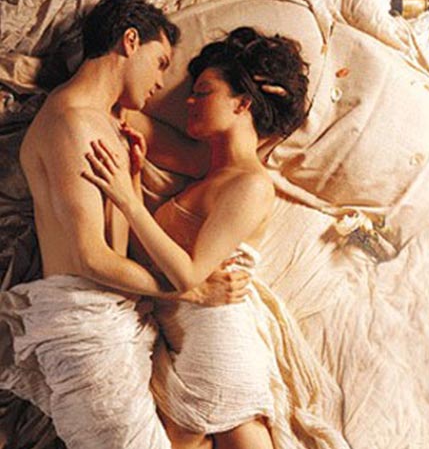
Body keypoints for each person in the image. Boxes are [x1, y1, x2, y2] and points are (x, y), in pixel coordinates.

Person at [84, 27, 350, 449]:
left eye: (203, 92)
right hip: (185, 343)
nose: (189, 102)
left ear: (242, 103)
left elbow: (189, 273)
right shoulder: (207, 175)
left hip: (218, 344)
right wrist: (133, 178)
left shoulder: (251, 185)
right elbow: (149, 260)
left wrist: (129, 202)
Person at [0, 0, 248, 448]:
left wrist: (133, 181)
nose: (161, 82)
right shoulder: (71, 123)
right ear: (130, 40)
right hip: (86, 325)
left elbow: (197, 162)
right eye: (161, 62)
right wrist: (189, 290)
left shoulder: (109, 121)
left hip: (119, 321)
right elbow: (90, 258)